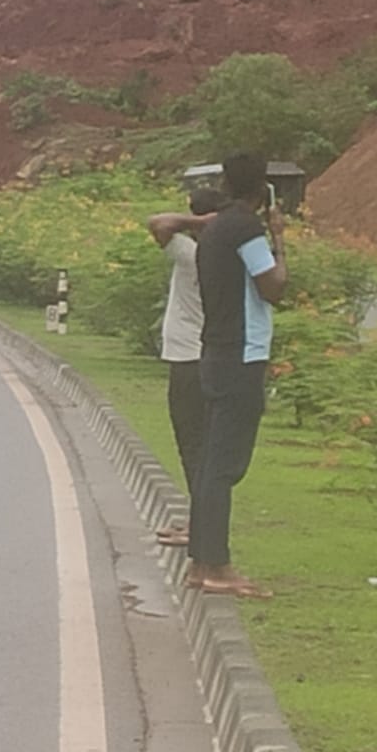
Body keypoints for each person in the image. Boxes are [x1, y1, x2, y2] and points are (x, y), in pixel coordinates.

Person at [188, 155, 287, 599]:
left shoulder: (213, 229)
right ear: (262, 188)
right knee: (225, 467)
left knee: (213, 462)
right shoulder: (247, 230)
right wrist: (280, 241)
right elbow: (273, 286)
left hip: (214, 351)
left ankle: (201, 561)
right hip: (241, 356)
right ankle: (217, 567)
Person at [146, 188, 225, 546]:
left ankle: (200, 527)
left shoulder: (193, 256)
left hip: (187, 358)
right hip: (205, 357)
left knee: (192, 444)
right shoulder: (225, 257)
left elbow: (158, 224)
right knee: (200, 445)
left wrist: (199, 222)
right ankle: (198, 520)